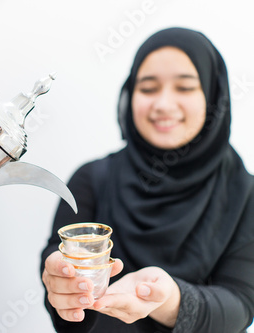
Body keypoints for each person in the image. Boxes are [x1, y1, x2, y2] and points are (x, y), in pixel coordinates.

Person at [41, 27, 254, 333]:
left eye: (184, 87)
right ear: (130, 94)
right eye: (148, 87)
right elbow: (57, 267)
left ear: (212, 95)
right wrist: (62, 287)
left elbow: (241, 306)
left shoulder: (245, 193)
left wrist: (170, 300)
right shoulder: (92, 179)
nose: (163, 104)